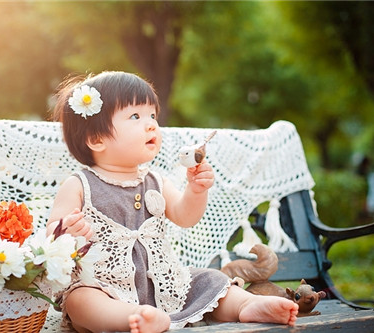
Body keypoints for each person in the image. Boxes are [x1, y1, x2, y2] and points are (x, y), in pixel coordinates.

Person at [46, 71, 299, 333]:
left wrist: (196, 191)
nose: (151, 124)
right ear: (96, 139)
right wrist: (67, 228)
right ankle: (131, 318)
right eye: (135, 116)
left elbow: (184, 215)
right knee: (80, 300)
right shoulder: (79, 184)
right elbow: (52, 235)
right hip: (106, 286)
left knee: (209, 280)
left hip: (165, 283)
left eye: (153, 115)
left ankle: (246, 305)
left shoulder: (156, 181)